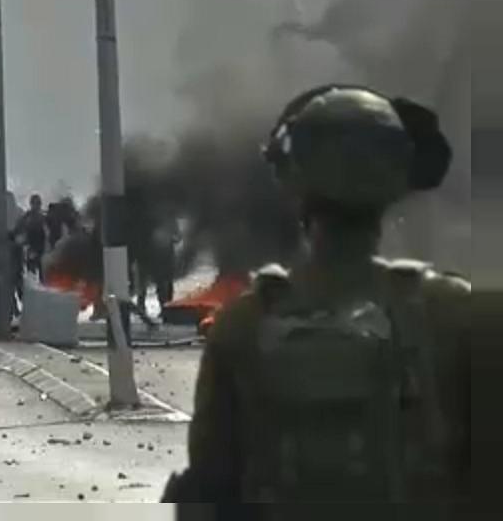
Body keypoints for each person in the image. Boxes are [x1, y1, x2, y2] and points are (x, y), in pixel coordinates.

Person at [162, 85, 470, 505]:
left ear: (291, 179)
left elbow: (212, 485)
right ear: (399, 177)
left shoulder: (243, 324)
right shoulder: (451, 312)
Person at [15, 194, 48, 281]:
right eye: (35, 203)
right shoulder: (27, 217)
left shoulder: (43, 217)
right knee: (32, 273)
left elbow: (47, 234)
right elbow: (20, 230)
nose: (37, 206)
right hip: (31, 249)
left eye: (38, 203)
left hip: (41, 249)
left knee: (41, 274)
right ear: (31, 204)